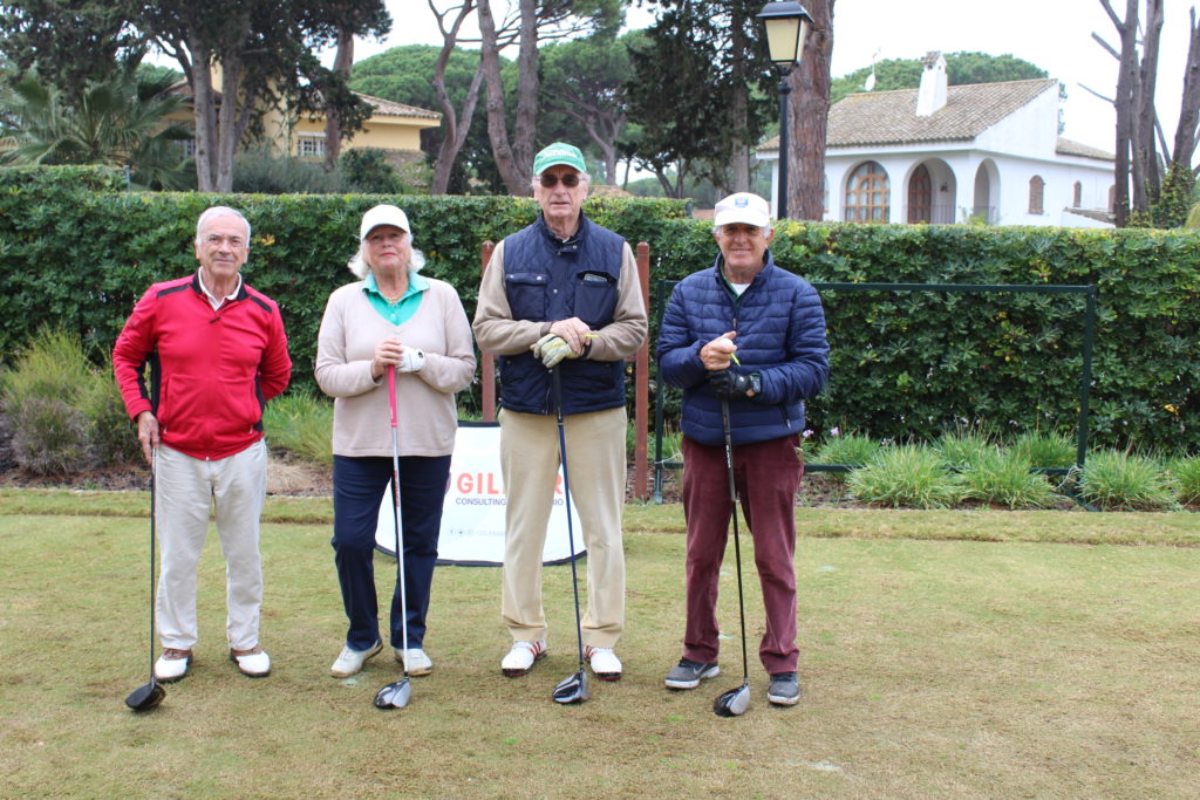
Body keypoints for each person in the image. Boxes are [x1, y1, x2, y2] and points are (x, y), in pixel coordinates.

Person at [473, 142, 647, 682]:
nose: (560, 191)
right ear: (535, 189)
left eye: (570, 181)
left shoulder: (614, 250)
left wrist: (587, 340)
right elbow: (486, 328)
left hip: (596, 408)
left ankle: (601, 638)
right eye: (550, 182)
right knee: (524, 527)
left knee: (604, 529)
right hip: (527, 409)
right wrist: (546, 330)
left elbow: (635, 329)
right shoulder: (509, 252)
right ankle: (526, 635)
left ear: (585, 188)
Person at [657, 191, 829, 707]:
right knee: (700, 554)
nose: (740, 239)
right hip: (707, 441)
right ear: (717, 236)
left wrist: (754, 383)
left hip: (771, 443)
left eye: (750, 230)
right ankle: (699, 651)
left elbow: (814, 370)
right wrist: (700, 357)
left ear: (767, 236)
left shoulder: (798, 294)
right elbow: (667, 363)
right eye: (730, 230)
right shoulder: (689, 292)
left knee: (774, 556)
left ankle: (782, 660)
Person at [113, 205, 292, 683]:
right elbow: (126, 356)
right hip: (178, 452)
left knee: (244, 553)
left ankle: (245, 640)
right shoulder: (161, 299)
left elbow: (277, 374)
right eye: (214, 239)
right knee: (177, 555)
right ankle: (176, 644)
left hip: (242, 452)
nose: (224, 248)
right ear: (198, 246)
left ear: (247, 252)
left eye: (234, 241)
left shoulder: (263, 310)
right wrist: (142, 409)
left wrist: (241, 404)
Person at [316, 204, 475, 680]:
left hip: (425, 443)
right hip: (360, 445)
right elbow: (326, 375)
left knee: (418, 542)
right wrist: (370, 368)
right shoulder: (343, 300)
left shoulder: (442, 296)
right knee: (351, 540)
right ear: (364, 250)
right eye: (376, 238)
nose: (387, 244)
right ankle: (362, 636)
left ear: (410, 245)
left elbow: (464, 370)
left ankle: (410, 637)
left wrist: (420, 361)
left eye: (395, 236)